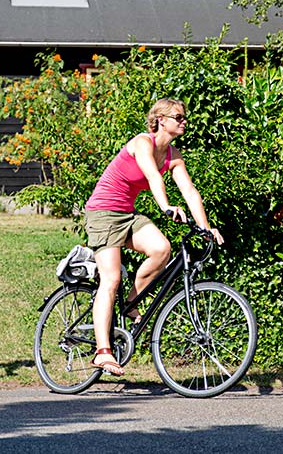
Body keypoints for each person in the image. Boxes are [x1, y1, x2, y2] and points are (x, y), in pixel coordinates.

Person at [82, 97, 223, 376]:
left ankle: (131, 301)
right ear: (161, 120)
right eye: (178, 117)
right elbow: (153, 177)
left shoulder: (173, 154)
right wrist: (165, 207)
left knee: (161, 248)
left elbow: (190, 192)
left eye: (184, 117)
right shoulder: (142, 143)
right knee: (110, 279)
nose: (183, 121)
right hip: (102, 213)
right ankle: (103, 352)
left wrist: (206, 227)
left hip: (127, 213)